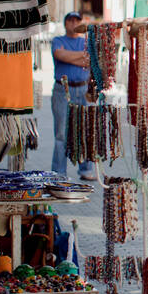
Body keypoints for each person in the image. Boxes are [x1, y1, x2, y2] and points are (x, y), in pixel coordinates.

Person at [51, 13, 94, 180]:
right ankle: (59, 173)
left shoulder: (85, 42)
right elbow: (60, 55)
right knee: (62, 133)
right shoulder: (58, 40)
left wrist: (70, 57)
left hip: (83, 89)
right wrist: (79, 57)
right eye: (70, 20)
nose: (74, 23)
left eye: (77, 20)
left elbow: (90, 60)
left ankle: (85, 169)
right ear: (65, 23)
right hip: (63, 90)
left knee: (84, 130)